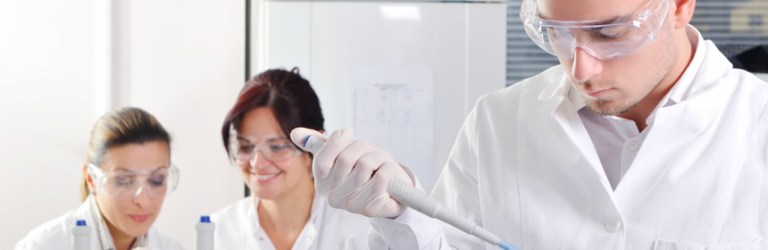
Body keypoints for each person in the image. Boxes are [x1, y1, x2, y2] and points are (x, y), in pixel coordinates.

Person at [289, 0, 768, 248]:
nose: (581, 69)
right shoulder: (498, 123)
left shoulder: (757, 127)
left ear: (679, 6)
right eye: (557, 34)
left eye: (610, 32)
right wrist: (398, 216)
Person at [211, 68, 370, 249]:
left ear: (315, 145)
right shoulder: (218, 232)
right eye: (246, 146)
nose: (257, 163)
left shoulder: (359, 230)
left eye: (277, 146)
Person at [16, 107, 184, 250]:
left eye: (156, 180)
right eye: (124, 181)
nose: (143, 200)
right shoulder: (43, 245)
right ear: (91, 179)